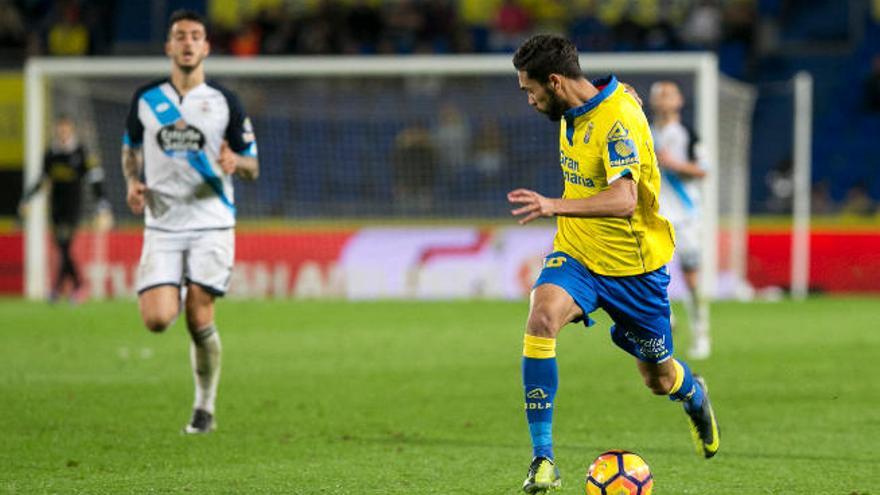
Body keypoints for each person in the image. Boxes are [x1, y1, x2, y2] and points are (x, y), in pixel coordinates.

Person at [508, 34, 719, 493]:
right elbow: (611, 95)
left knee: (658, 378)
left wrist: (552, 205)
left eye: (531, 89)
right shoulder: (579, 107)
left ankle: (693, 392)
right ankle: (543, 460)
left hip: (634, 270)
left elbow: (624, 200)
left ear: (555, 81)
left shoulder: (618, 119)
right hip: (579, 254)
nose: (529, 100)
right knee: (541, 318)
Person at [122, 9, 259, 434]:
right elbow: (130, 150)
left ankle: (205, 408)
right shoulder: (147, 99)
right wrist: (132, 182)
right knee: (157, 319)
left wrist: (236, 162)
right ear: (169, 46)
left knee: (199, 315)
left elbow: (253, 165)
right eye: (180, 36)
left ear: (206, 47)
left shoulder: (225, 101)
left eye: (195, 36)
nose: (187, 43)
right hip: (162, 224)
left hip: (211, 222)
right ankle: (176, 286)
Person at [19, 115, 112, 302]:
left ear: (71, 130)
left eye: (66, 128)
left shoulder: (80, 152)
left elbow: (95, 179)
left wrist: (102, 205)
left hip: (73, 207)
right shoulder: (51, 154)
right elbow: (42, 179)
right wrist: (27, 198)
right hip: (56, 207)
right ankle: (70, 287)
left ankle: (65, 287)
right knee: (62, 248)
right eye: (60, 129)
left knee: (65, 246)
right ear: (56, 130)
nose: (63, 132)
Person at [649, 80, 711, 359]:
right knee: (652, 275)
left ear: (679, 101)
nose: (664, 98)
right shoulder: (644, 133)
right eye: (659, 94)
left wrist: (672, 164)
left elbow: (703, 170)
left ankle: (701, 332)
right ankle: (668, 320)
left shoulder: (689, 135)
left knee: (691, 277)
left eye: (669, 94)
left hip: (686, 216)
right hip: (654, 216)